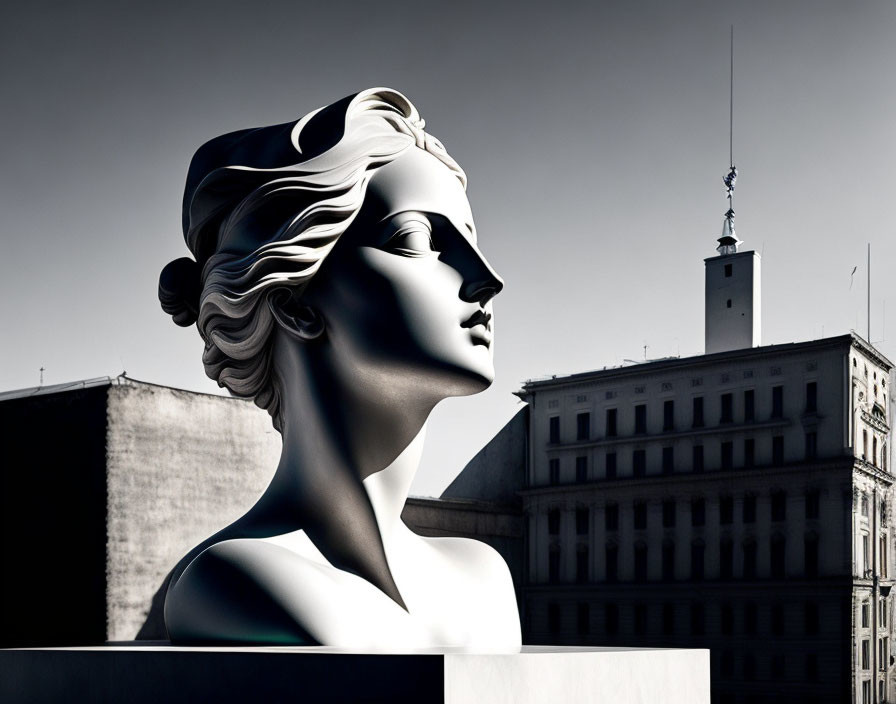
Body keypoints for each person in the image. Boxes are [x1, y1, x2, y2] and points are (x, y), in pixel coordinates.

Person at [158, 88, 521, 650]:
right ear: (295, 303)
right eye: (417, 239)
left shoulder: (485, 580)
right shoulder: (237, 583)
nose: (487, 278)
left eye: (470, 240)